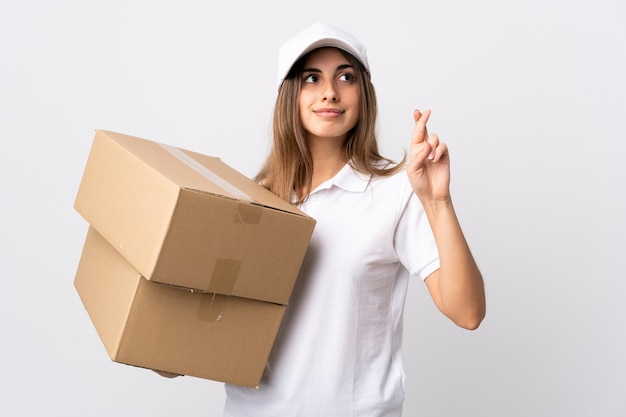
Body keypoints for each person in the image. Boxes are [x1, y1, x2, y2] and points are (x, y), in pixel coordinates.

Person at [223, 22, 486, 417]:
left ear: (364, 95)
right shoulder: (252, 199)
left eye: (345, 77)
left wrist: (437, 201)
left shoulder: (397, 192)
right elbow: (210, 325)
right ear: (290, 95)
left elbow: (468, 313)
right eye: (312, 78)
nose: (330, 91)